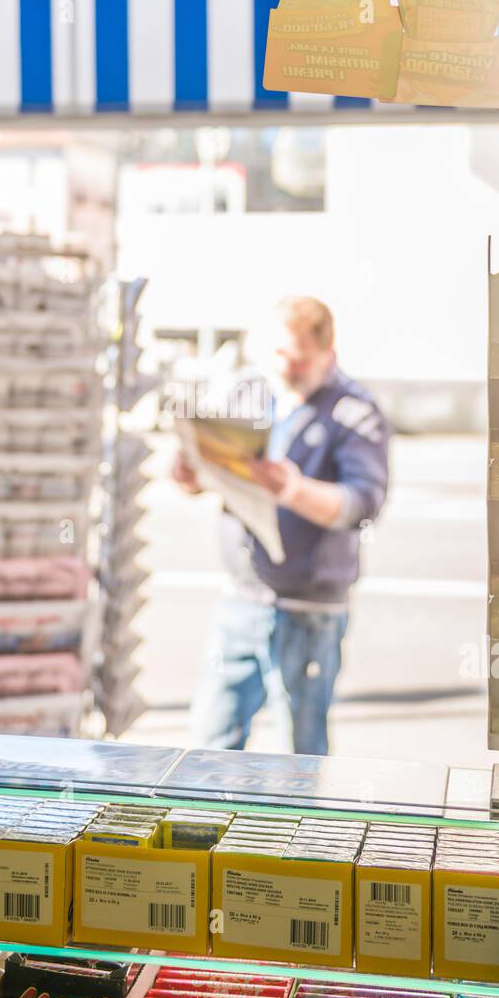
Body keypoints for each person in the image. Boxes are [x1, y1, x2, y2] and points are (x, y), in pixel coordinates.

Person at [174, 295, 390, 755]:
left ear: (328, 353)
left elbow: (363, 502)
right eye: (277, 356)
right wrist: (195, 474)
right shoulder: (247, 390)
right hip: (240, 597)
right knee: (208, 745)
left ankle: (305, 828)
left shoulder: (355, 411)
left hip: (309, 610)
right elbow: (220, 473)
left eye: (300, 360)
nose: (287, 370)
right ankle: (208, 824)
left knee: (301, 755)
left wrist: (294, 491)